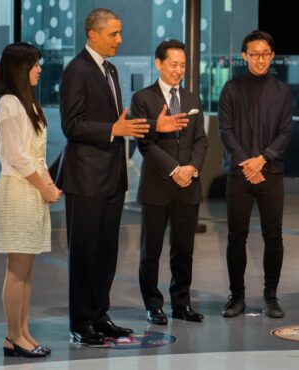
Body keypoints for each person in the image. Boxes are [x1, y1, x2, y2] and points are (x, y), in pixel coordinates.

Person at [59, 8, 188, 345]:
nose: (120, 39)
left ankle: (100, 316)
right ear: (93, 34)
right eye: (114, 33)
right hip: (86, 179)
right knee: (84, 254)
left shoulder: (110, 69)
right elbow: (71, 125)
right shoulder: (77, 70)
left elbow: (122, 126)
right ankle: (80, 322)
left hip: (113, 178)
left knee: (106, 254)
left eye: (119, 33)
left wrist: (153, 126)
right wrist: (112, 129)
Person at [131, 39, 207, 325]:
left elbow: (201, 140)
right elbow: (145, 144)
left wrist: (191, 169)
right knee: (151, 251)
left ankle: (181, 303)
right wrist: (175, 169)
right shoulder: (143, 98)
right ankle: (153, 305)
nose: (179, 70)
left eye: (183, 65)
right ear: (158, 63)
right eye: (173, 64)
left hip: (189, 185)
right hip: (157, 186)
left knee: (183, 250)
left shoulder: (192, 99)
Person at [0, 42, 62, 357]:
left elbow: (38, 155)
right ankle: (12, 336)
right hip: (17, 190)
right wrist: (43, 186)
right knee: (17, 268)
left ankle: (23, 331)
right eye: (35, 64)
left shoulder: (30, 104)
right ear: (21, 68)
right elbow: (17, 157)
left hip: (32, 189)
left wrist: (49, 185)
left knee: (28, 268)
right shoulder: (8, 103)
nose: (39, 69)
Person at [218, 30, 292, 319]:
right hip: (239, 174)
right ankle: (236, 296)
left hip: (270, 172)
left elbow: (286, 132)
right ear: (244, 56)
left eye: (264, 54)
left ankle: (271, 297)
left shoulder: (282, 91)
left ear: (271, 56)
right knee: (237, 236)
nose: (259, 59)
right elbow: (226, 131)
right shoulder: (230, 89)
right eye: (253, 54)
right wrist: (247, 163)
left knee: (274, 237)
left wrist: (261, 160)